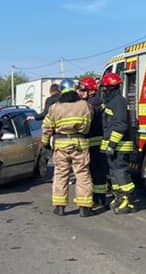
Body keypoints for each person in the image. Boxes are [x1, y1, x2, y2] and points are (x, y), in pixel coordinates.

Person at [41, 78, 93, 217]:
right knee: (82, 175)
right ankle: (84, 208)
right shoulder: (84, 105)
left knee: (60, 175)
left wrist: (45, 142)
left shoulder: (55, 107)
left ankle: (60, 207)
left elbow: (47, 126)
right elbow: (88, 125)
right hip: (80, 144)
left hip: (60, 145)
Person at [100, 72, 136, 214]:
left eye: (104, 88)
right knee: (114, 173)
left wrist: (112, 145)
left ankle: (128, 201)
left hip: (119, 146)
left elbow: (120, 125)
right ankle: (120, 197)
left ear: (110, 88)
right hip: (114, 146)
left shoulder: (118, 102)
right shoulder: (112, 101)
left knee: (121, 173)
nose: (103, 90)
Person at [78, 76, 109, 212]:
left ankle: (99, 199)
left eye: (83, 89)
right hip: (95, 141)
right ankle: (99, 198)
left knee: (96, 172)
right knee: (97, 172)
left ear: (91, 91)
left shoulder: (93, 103)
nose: (81, 92)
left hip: (94, 142)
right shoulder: (94, 101)